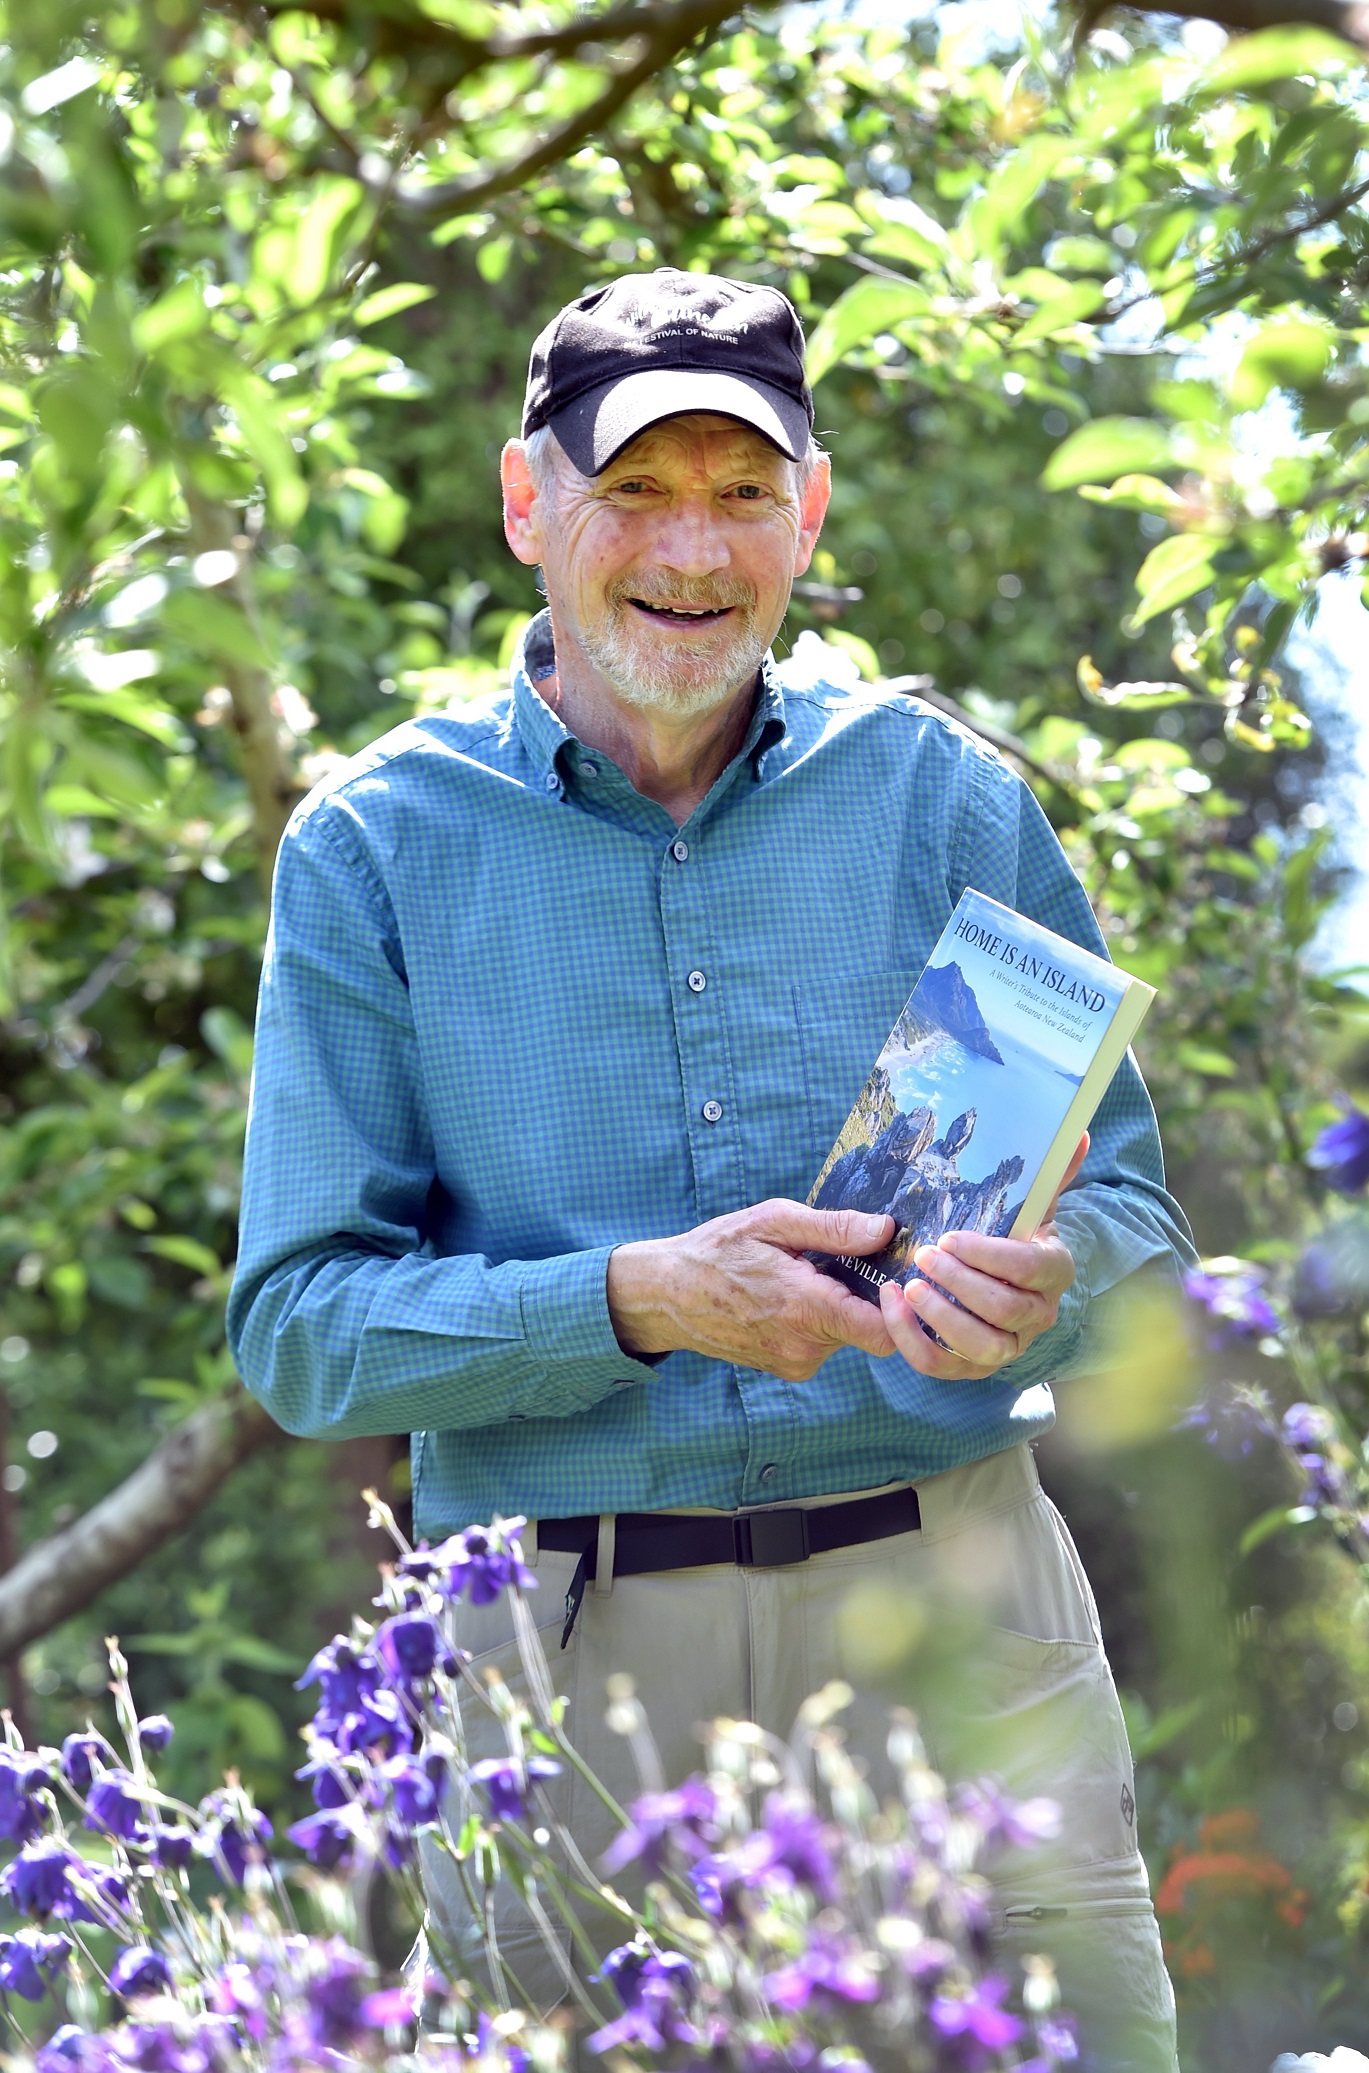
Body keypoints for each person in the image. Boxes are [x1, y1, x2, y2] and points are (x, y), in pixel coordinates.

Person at [228, 268, 1194, 2068]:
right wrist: (637, 1301)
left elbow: (1131, 1211)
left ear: (807, 513)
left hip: (959, 1597)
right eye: (635, 488)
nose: (692, 547)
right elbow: (302, 1329)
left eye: (742, 492)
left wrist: (1044, 1306)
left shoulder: (947, 798)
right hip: (567, 1656)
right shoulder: (371, 850)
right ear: (530, 503)